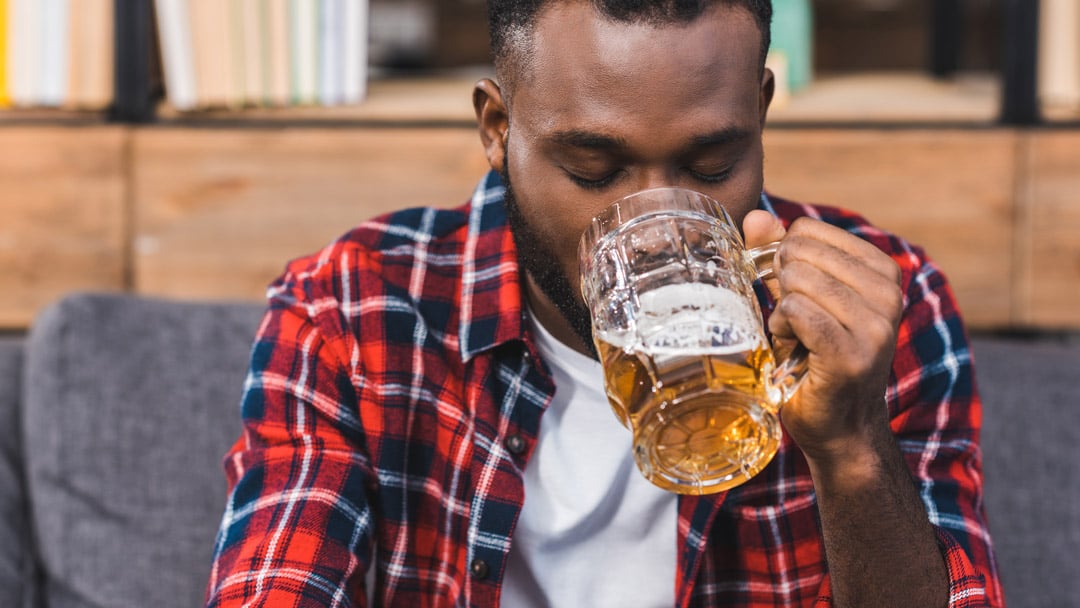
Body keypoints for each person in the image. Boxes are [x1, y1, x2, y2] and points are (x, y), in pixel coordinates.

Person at [205, 1, 1003, 606]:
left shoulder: (877, 307)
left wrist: (852, 447)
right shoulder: (348, 311)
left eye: (712, 164)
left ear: (760, 112)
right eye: (593, 170)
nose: (655, 229)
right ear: (497, 128)